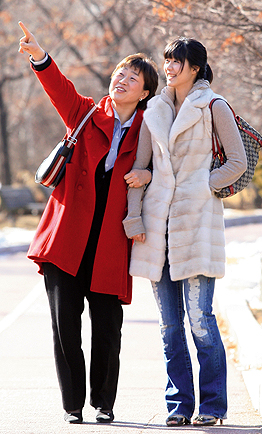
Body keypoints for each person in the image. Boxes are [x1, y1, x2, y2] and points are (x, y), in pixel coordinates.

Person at [18, 21, 158, 424]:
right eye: (120, 73)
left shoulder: (149, 133)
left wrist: (146, 175)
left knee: (108, 329)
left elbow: (164, 170)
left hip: (111, 243)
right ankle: (73, 405)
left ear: (144, 93)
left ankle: (104, 401)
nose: (123, 79)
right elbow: (58, 87)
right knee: (65, 327)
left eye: (133, 77)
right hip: (66, 239)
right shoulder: (86, 114)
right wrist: (40, 57)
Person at [123, 38, 247, 427]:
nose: (170, 66)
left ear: (195, 67)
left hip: (196, 224)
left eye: (177, 60)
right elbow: (139, 173)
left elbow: (238, 161)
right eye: (167, 60)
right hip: (157, 228)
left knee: (199, 320)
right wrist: (134, 219)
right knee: (169, 326)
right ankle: (179, 406)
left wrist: (201, 185)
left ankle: (212, 405)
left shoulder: (214, 105)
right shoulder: (153, 110)